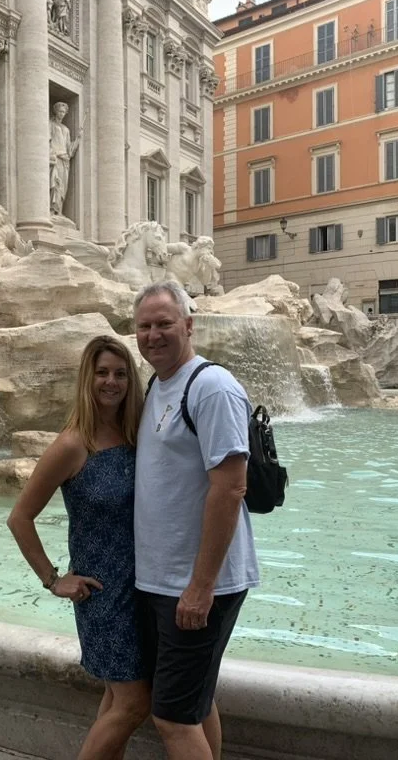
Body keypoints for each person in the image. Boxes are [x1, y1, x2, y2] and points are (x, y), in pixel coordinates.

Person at [133, 280, 259, 760]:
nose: (153, 335)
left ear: (189, 325)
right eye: (144, 326)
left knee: (171, 716)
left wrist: (201, 586)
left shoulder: (212, 387)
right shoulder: (159, 385)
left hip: (200, 584)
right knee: (195, 704)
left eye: (164, 323)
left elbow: (231, 487)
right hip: (163, 581)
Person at [7, 336, 150, 760]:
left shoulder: (133, 434)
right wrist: (53, 579)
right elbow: (19, 518)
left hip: (140, 586)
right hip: (102, 593)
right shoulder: (74, 443)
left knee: (115, 699)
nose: (111, 382)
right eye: (102, 373)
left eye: (121, 373)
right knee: (134, 703)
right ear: (87, 379)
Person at [49, 102, 81, 217]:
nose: (61, 114)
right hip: (56, 158)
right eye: (60, 111)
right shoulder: (50, 124)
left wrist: (77, 139)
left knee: (62, 186)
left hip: (64, 161)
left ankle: (59, 211)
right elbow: (47, 142)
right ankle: (52, 209)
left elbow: (69, 149)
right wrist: (55, 154)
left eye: (63, 112)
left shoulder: (66, 129)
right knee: (55, 183)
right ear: (55, 111)